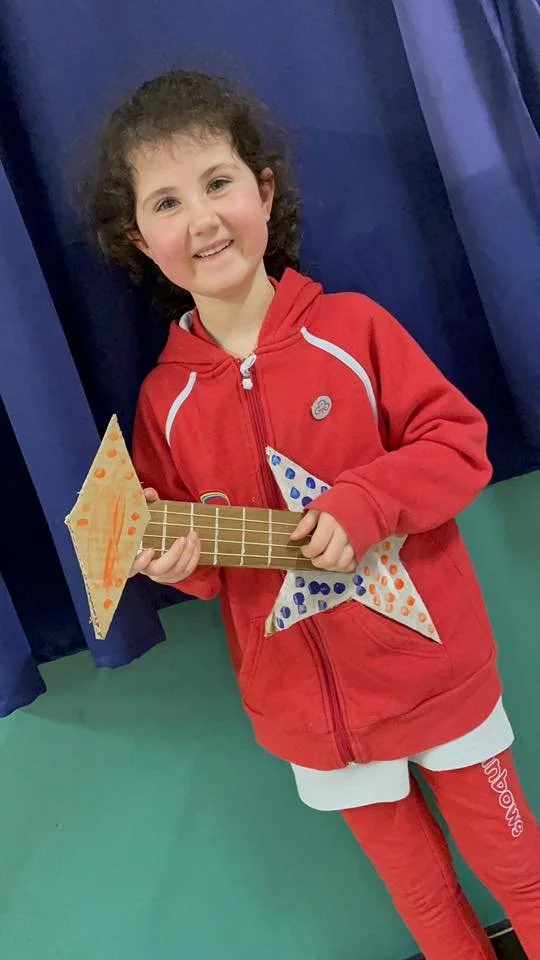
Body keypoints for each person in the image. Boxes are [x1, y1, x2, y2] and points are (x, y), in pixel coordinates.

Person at [89, 69, 540, 959]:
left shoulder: (354, 329)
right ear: (140, 239)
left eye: (218, 182)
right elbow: (197, 556)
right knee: (422, 898)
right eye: (167, 202)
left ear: (264, 191)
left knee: (520, 868)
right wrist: (179, 565)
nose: (202, 219)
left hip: (437, 681)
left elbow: (459, 445)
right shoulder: (162, 404)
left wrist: (366, 502)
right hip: (311, 719)